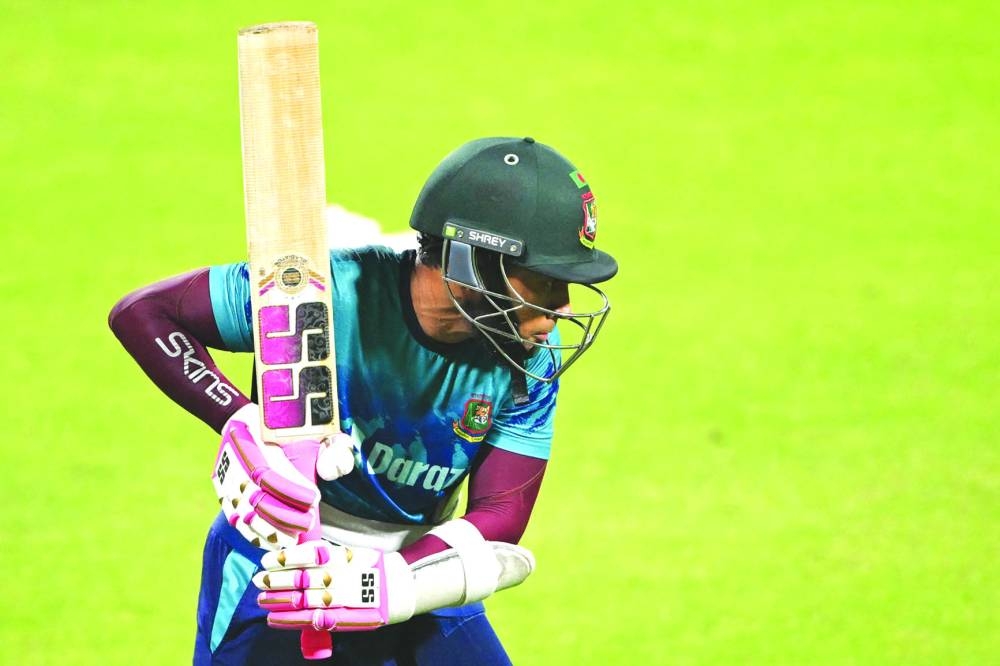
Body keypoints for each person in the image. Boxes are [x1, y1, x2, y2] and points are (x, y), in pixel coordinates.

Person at [109, 136, 618, 665]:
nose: (562, 309)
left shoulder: (528, 351)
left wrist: (393, 583)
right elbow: (144, 313)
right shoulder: (321, 294)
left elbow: (502, 510)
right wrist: (238, 418)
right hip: (280, 573)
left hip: (418, 574)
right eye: (545, 283)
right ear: (473, 264)